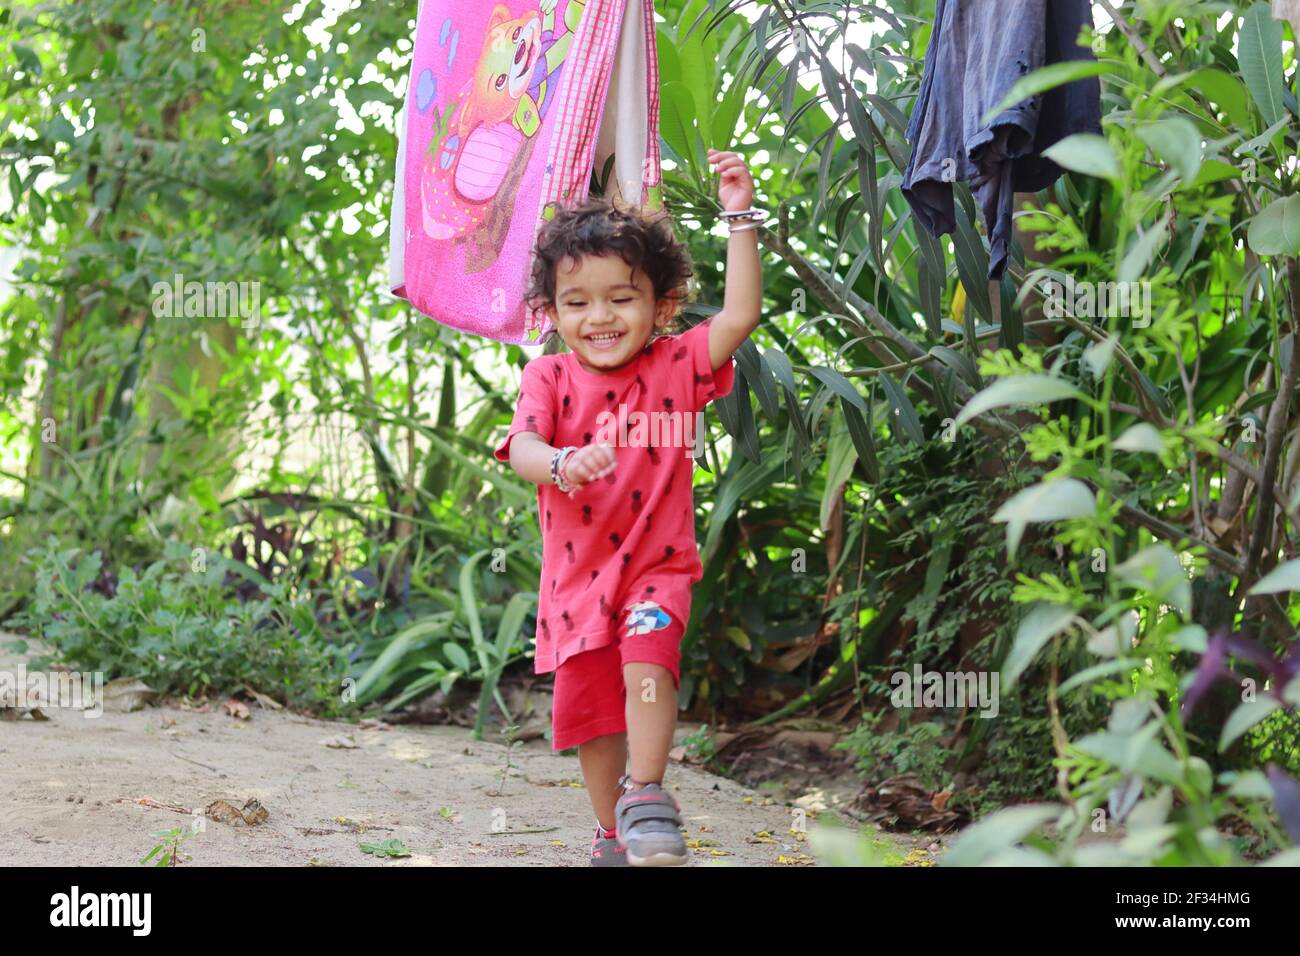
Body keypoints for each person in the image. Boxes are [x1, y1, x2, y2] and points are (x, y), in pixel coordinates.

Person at [492, 148, 763, 866]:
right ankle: (612, 831)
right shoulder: (547, 375)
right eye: (577, 303)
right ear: (551, 312)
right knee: (591, 716)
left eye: (622, 297)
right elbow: (519, 447)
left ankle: (646, 793)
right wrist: (559, 462)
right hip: (575, 585)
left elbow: (740, 314)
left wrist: (740, 216)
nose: (599, 317)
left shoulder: (676, 364)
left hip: (655, 569)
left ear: (661, 305)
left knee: (648, 666)